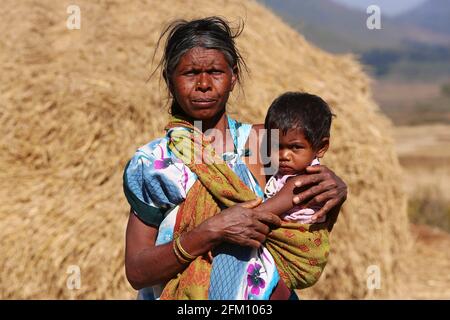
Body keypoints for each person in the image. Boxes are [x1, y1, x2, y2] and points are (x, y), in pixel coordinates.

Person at [123, 16, 347, 300]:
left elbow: (302, 218)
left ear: (233, 77)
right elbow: (137, 271)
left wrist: (334, 188)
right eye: (190, 73)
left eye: (215, 72)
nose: (203, 84)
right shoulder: (154, 164)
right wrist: (210, 232)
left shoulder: (266, 144)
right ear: (170, 79)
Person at [263, 92, 334, 224]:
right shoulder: (283, 173)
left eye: (295, 147)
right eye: (276, 146)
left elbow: (261, 213)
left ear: (321, 147)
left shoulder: (306, 182)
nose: (284, 155)